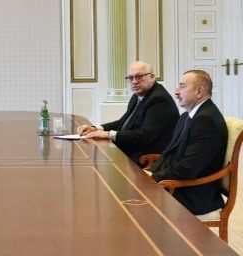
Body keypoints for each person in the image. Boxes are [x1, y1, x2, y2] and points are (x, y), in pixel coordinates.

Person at [149, 70, 227, 216]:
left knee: (133, 204)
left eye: (182, 86)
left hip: (194, 195)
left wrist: (153, 177)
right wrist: (150, 173)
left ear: (199, 91)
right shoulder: (186, 116)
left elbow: (189, 168)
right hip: (180, 186)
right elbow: (169, 154)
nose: (176, 92)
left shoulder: (206, 121)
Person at [77, 61, 179, 163]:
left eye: (139, 77)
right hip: (131, 150)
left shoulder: (159, 100)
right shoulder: (137, 95)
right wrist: (95, 128)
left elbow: (145, 136)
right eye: (130, 78)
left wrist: (108, 134)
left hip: (146, 157)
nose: (134, 81)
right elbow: (123, 122)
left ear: (152, 77)